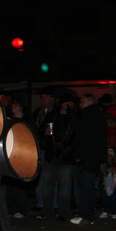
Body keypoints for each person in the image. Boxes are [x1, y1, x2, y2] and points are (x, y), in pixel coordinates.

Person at [39, 93, 78, 221]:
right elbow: (41, 129)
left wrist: (69, 151)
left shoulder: (74, 117)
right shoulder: (53, 115)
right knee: (46, 187)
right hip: (51, 156)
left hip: (66, 158)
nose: (69, 105)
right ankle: (47, 211)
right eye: (67, 102)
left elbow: (77, 135)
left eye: (71, 103)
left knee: (65, 188)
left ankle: (63, 213)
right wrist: (45, 133)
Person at [71, 93, 108, 225]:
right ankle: (84, 213)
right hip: (87, 157)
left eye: (82, 102)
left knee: (86, 187)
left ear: (89, 102)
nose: (80, 105)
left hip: (89, 158)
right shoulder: (92, 115)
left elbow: (83, 133)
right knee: (83, 187)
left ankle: (86, 215)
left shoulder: (91, 116)